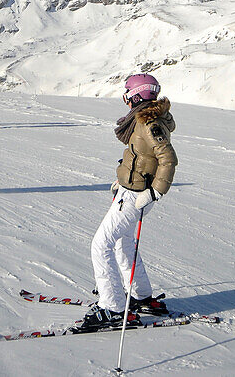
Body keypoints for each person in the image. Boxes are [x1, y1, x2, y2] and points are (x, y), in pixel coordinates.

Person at [80, 73, 178, 332]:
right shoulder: (142, 119)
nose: (125, 98)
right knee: (124, 242)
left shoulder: (149, 123)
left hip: (137, 195)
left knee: (101, 245)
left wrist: (155, 192)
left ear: (138, 95)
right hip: (131, 189)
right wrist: (121, 180)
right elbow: (137, 156)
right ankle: (140, 295)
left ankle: (112, 308)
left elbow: (168, 159)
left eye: (128, 93)